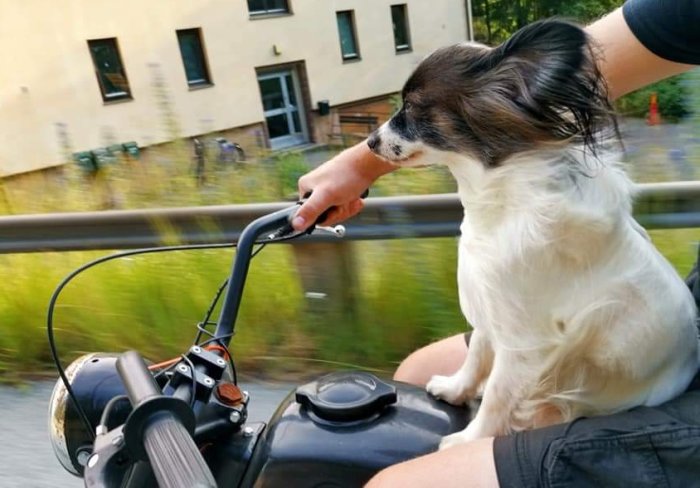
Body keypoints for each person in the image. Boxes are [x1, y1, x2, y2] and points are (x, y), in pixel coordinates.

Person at [293, 1, 700, 486]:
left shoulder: (544, 232)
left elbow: (526, 345)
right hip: (666, 336)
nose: (388, 130)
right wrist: (359, 165)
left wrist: (483, 433)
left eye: (413, 111)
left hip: (653, 384)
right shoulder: (531, 215)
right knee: (419, 370)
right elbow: (582, 64)